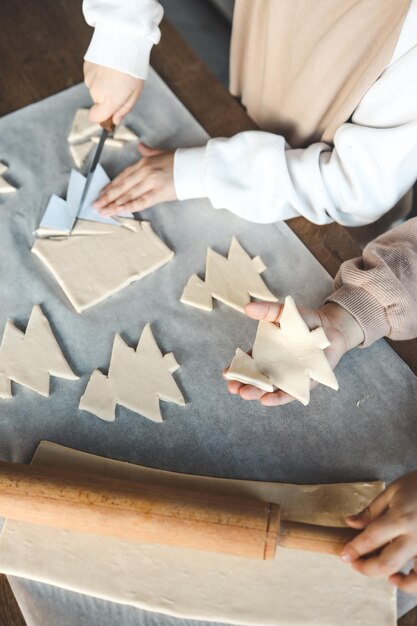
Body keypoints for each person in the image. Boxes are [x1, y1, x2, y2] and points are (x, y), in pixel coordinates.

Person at [86, 1, 417, 236]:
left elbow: (355, 189)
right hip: (256, 94)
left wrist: (198, 172)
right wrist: (120, 34)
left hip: (314, 209)